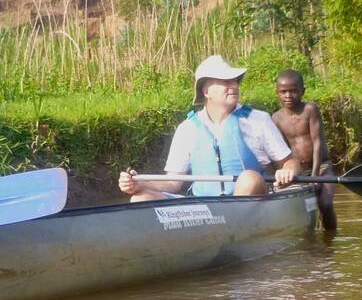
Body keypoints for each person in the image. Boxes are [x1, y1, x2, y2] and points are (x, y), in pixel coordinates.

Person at [119, 55, 300, 200]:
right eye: (225, 82)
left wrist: (288, 170)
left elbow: (290, 162)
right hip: (205, 208)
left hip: (253, 201)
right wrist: (140, 183)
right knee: (141, 198)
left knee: (249, 178)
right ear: (206, 92)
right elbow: (173, 183)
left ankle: (234, 235)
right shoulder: (187, 129)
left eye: (235, 81)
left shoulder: (258, 120)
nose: (234, 86)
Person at [271, 69, 337, 230]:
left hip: (321, 167)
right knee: (294, 206)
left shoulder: (310, 109)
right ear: (277, 93)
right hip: (297, 172)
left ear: (302, 91)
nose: (288, 96)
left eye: (293, 91)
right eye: (284, 92)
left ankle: (331, 240)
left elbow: (317, 142)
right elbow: (279, 151)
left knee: (325, 204)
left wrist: (315, 176)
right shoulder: (276, 118)